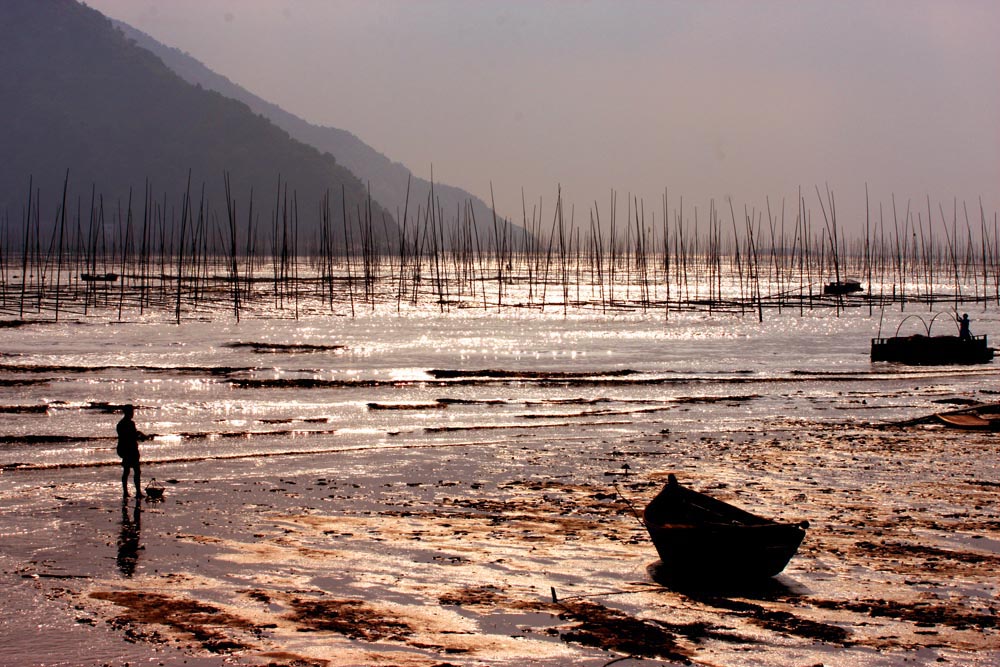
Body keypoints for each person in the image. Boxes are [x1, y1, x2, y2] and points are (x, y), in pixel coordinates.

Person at [116, 404, 148, 497]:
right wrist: (140, 434)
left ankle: (126, 492)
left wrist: (139, 434)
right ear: (128, 412)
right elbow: (130, 436)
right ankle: (137, 492)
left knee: (127, 470)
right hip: (129, 449)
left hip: (123, 449)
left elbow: (129, 436)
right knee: (136, 471)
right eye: (132, 411)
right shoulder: (129, 423)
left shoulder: (121, 424)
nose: (133, 413)